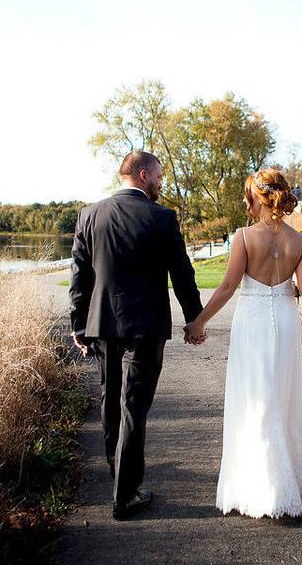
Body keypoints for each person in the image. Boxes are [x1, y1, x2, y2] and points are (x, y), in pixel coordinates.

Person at [69, 150, 206, 521]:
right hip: (145, 327)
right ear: (144, 175)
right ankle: (124, 495)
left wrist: (78, 324)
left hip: (102, 327)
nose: (162, 182)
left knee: (110, 402)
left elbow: (79, 275)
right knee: (133, 405)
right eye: (159, 176)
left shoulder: (89, 214)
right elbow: (181, 271)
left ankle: (121, 482)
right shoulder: (161, 218)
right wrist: (195, 318)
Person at [185, 168, 302, 518]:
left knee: (255, 395)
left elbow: (228, 287)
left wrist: (199, 321)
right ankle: (287, 482)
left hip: (254, 322)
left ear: (257, 198)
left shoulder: (244, 236)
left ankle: (261, 485)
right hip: (286, 319)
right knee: (282, 393)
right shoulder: (301, 241)